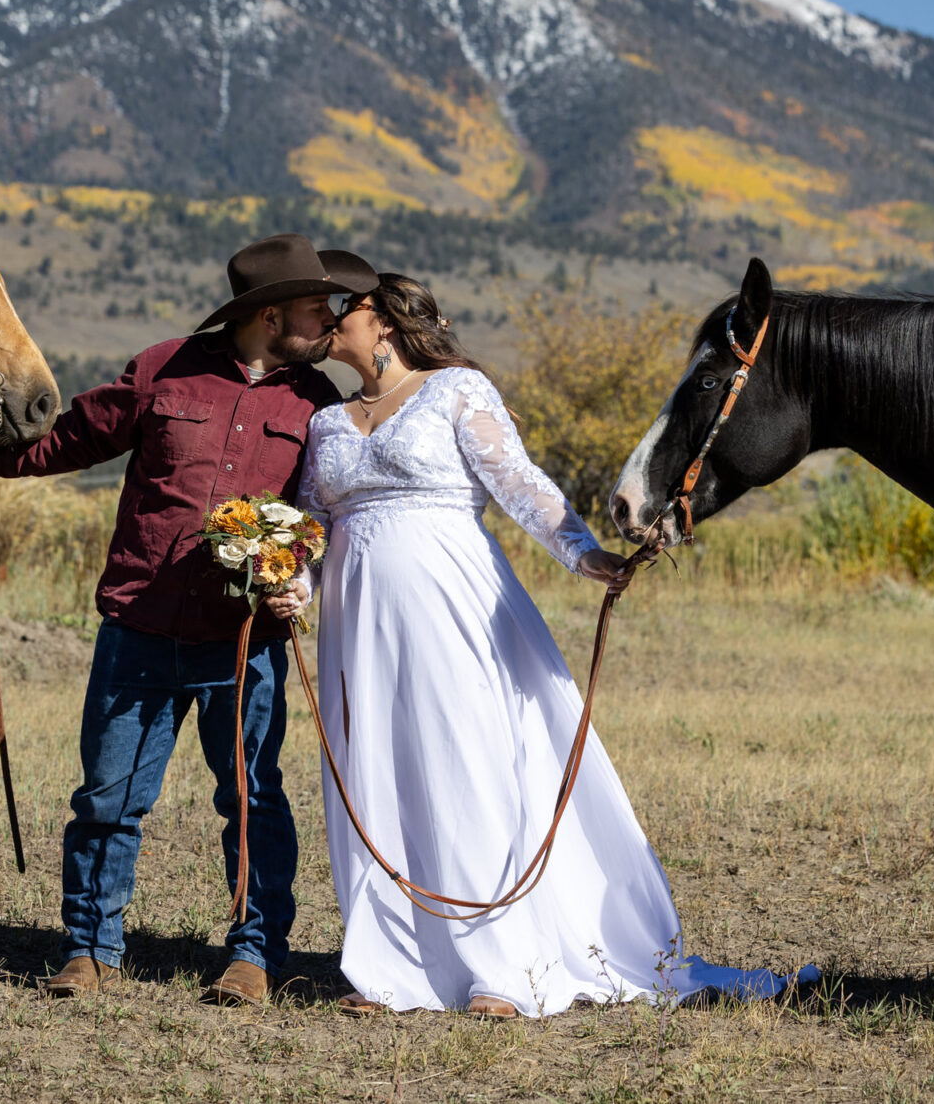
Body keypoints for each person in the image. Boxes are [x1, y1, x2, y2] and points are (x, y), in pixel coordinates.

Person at [273, 273, 808, 1017]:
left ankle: (502, 967)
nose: (335, 318)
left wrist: (585, 555)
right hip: (356, 622)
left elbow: (520, 484)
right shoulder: (328, 424)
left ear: (387, 321)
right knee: (374, 774)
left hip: (452, 608)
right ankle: (392, 969)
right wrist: (292, 583)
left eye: (350, 307)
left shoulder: (455, 391)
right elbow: (311, 525)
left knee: (464, 765)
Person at [0, 233, 377, 1006]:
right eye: (317, 307)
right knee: (107, 797)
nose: (330, 318)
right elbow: (78, 434)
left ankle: (254, 954)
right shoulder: (163, 368)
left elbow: (325, 512)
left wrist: (299, 577)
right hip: (140, 625)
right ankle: (90, 948)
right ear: (271, 315)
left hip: (245, 637)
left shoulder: (319, 404)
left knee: (252, 800)